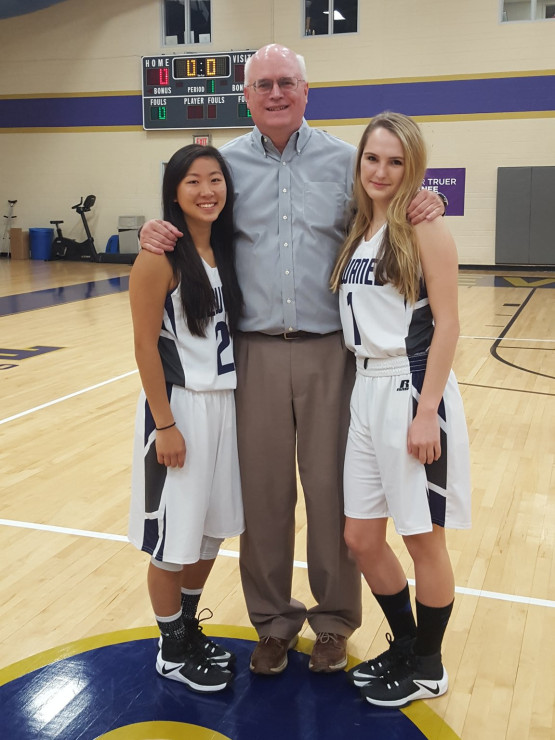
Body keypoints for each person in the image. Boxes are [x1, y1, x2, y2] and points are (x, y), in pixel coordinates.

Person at [139, 44, 445, 676]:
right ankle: (273, 622)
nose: (275, 93)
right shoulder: (222, 167)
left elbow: (393, 204)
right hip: (251, 354)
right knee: (265, 496)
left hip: (331, 352)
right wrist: (154, 229)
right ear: (246, 96)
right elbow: (191, 209)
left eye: (287, 83)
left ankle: (334, 621)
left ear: (307, 92)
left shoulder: (345, 161)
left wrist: (429, 201)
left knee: (334, 493)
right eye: (263, 85)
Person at [330, 111, 471, 707]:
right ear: (359, 162)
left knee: (423, 540)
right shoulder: (360, 232)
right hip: (364, 389)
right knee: (360, 537)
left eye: (395, 161)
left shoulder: (425, 230)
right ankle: (408, 645)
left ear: (411, 166)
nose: (381, 171)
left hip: (409, 389)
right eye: (372, 158)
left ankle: (430, 665)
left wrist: (426, 410)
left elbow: (448, 325)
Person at [127, 144, 244, 693]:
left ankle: (187, 628)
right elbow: (146, 348)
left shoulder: (224, 250)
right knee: (172, 537)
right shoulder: (158, 258)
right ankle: (170, 648)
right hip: (180, 410)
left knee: (209, 531)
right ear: (173, 192)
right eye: (193, 181)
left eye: (215, 179)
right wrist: (165, 424)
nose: (206, 191)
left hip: (224, 405)